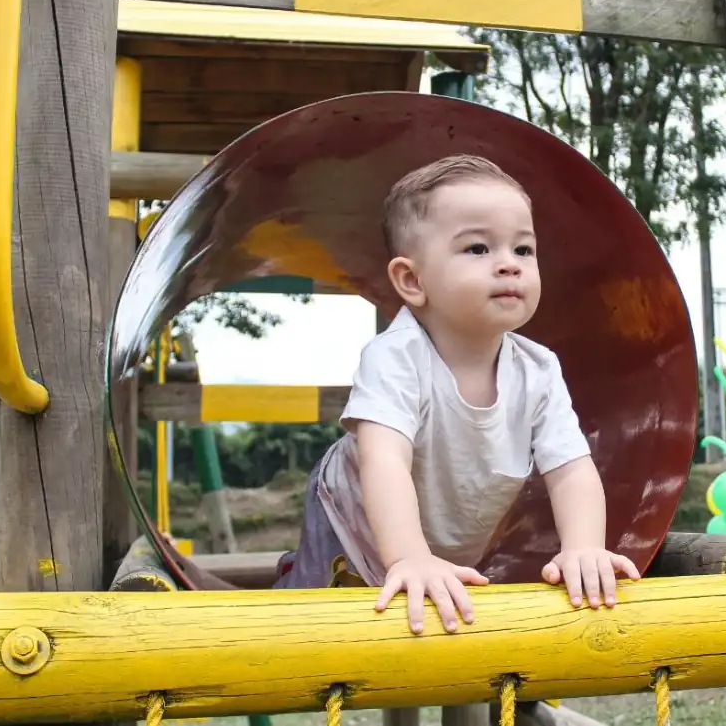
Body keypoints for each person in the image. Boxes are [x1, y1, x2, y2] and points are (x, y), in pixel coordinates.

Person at [273, 154, 638, 636]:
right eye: (478, 249)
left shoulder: (539, 370)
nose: (509, 265)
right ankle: (291, 575)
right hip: (348, 514)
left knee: (436, 615)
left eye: (524, 250)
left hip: (446, 530)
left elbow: (571, 469)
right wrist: (410, 557)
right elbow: (384, 461)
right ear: (412, 280)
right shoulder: (395, 357)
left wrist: (583, 547)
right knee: (312, 612)